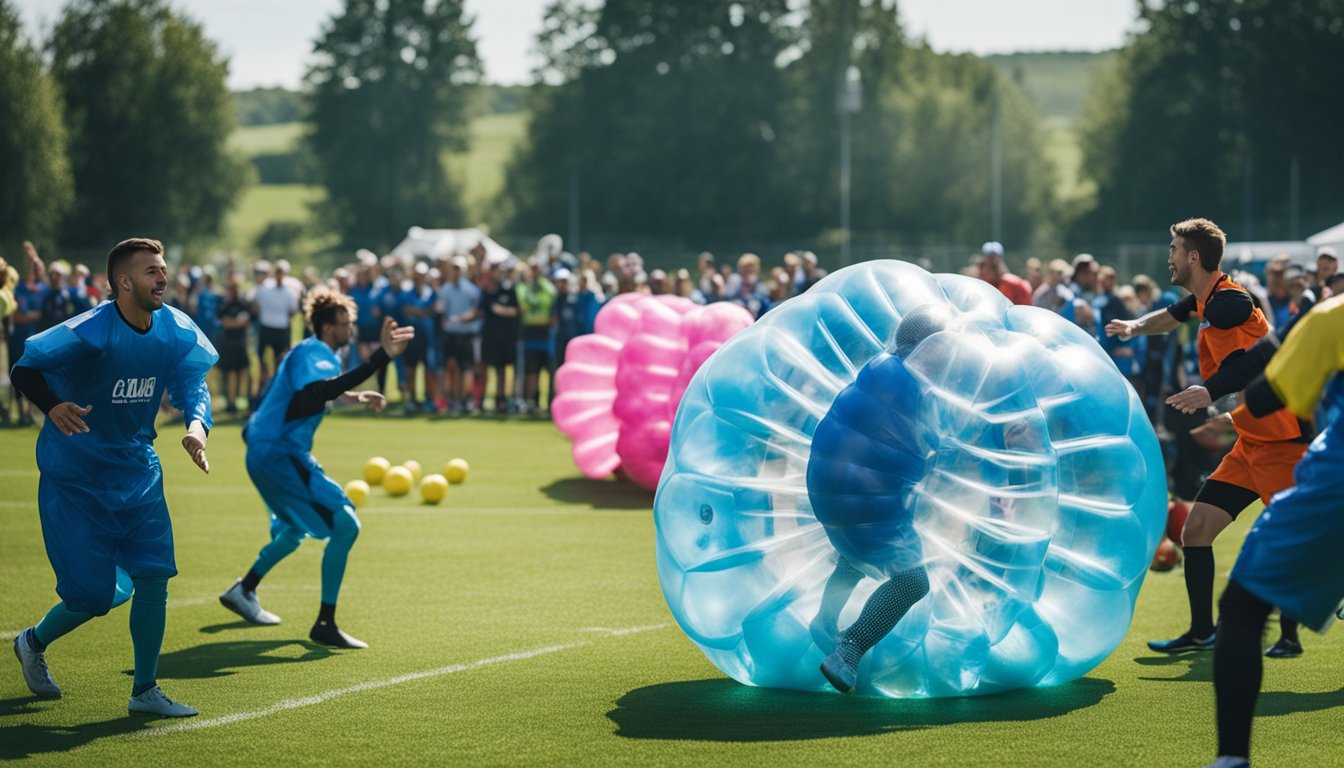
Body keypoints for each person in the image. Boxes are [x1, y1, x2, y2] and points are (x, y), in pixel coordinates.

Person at [10, 237, 215, 716]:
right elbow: (25, 368)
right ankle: (32, 642)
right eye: (151, 272)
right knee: (94, 597)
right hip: (77, 477)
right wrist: (53, 406)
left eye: (163, 269)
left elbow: (193, 383)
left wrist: (196, 428)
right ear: (123, 282)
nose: (162, 278)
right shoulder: (90, 330)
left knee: (154, 577)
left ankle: (145, 691)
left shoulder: (175, 328)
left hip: (138, 470)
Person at [1105, 218, 1311, 654]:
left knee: (1294, 538)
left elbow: (1263, 358)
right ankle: (1202, 632)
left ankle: (1291, 636)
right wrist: (1134, 326)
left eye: (1175, 249)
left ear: (1194, 256)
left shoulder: (1230, 300)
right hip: (1250, 442)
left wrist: (1211, 391)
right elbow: (1171, 315)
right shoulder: (1205, 299)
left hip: (1283, 442)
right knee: (1195, 531)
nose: (1170, 257)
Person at [219, 287, 413, 648]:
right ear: (326, 328)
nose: (350, 330)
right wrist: (380, 357)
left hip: (263, 452)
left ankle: (244, 590)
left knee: (293, 530)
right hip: (281, 454)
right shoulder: (317, 351)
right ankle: (325, 623)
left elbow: (307, 393)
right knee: (345, 525)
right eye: (344, 324)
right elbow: (317, 393)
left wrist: (354, 396)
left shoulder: (308, 354)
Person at [1206, 295, 1343, 768]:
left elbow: (1269, 396)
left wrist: (1225, 414)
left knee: (1242, 609)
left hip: (1335, 484)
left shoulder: (1333, 317)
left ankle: (1232, 758)